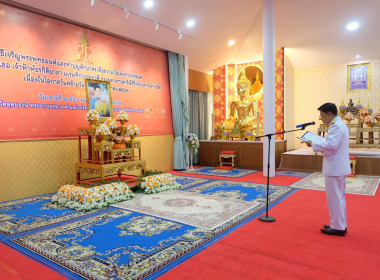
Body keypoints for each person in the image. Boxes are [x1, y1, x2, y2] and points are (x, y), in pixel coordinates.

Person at [304, 102, 351, 236]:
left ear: (329, 114)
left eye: (322, 115)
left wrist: (312, 143)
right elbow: (331, 143)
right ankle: (339, 224)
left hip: (335, 168)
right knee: (338, 198)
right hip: (338, 167)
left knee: (335, 198)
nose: (321, 118)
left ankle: (338, 227)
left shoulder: (336, 126)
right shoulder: (339, 124)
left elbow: (331, 145)